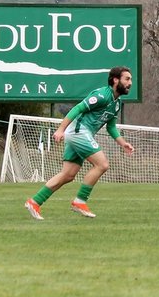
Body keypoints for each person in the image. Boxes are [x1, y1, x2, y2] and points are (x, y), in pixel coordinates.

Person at [24, 66, 135, 220]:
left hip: (79, 134)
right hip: (78, 132)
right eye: (127, 79)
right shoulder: (102, 95)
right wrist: (60, 129)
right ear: (116, 80)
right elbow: (77, 108)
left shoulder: (116, 103)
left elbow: (111, 127)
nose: (130, 83)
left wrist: (123, 143)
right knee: (102, 164)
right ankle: (80, 201)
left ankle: (34, 202)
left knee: (68, 175)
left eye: (131, 79)